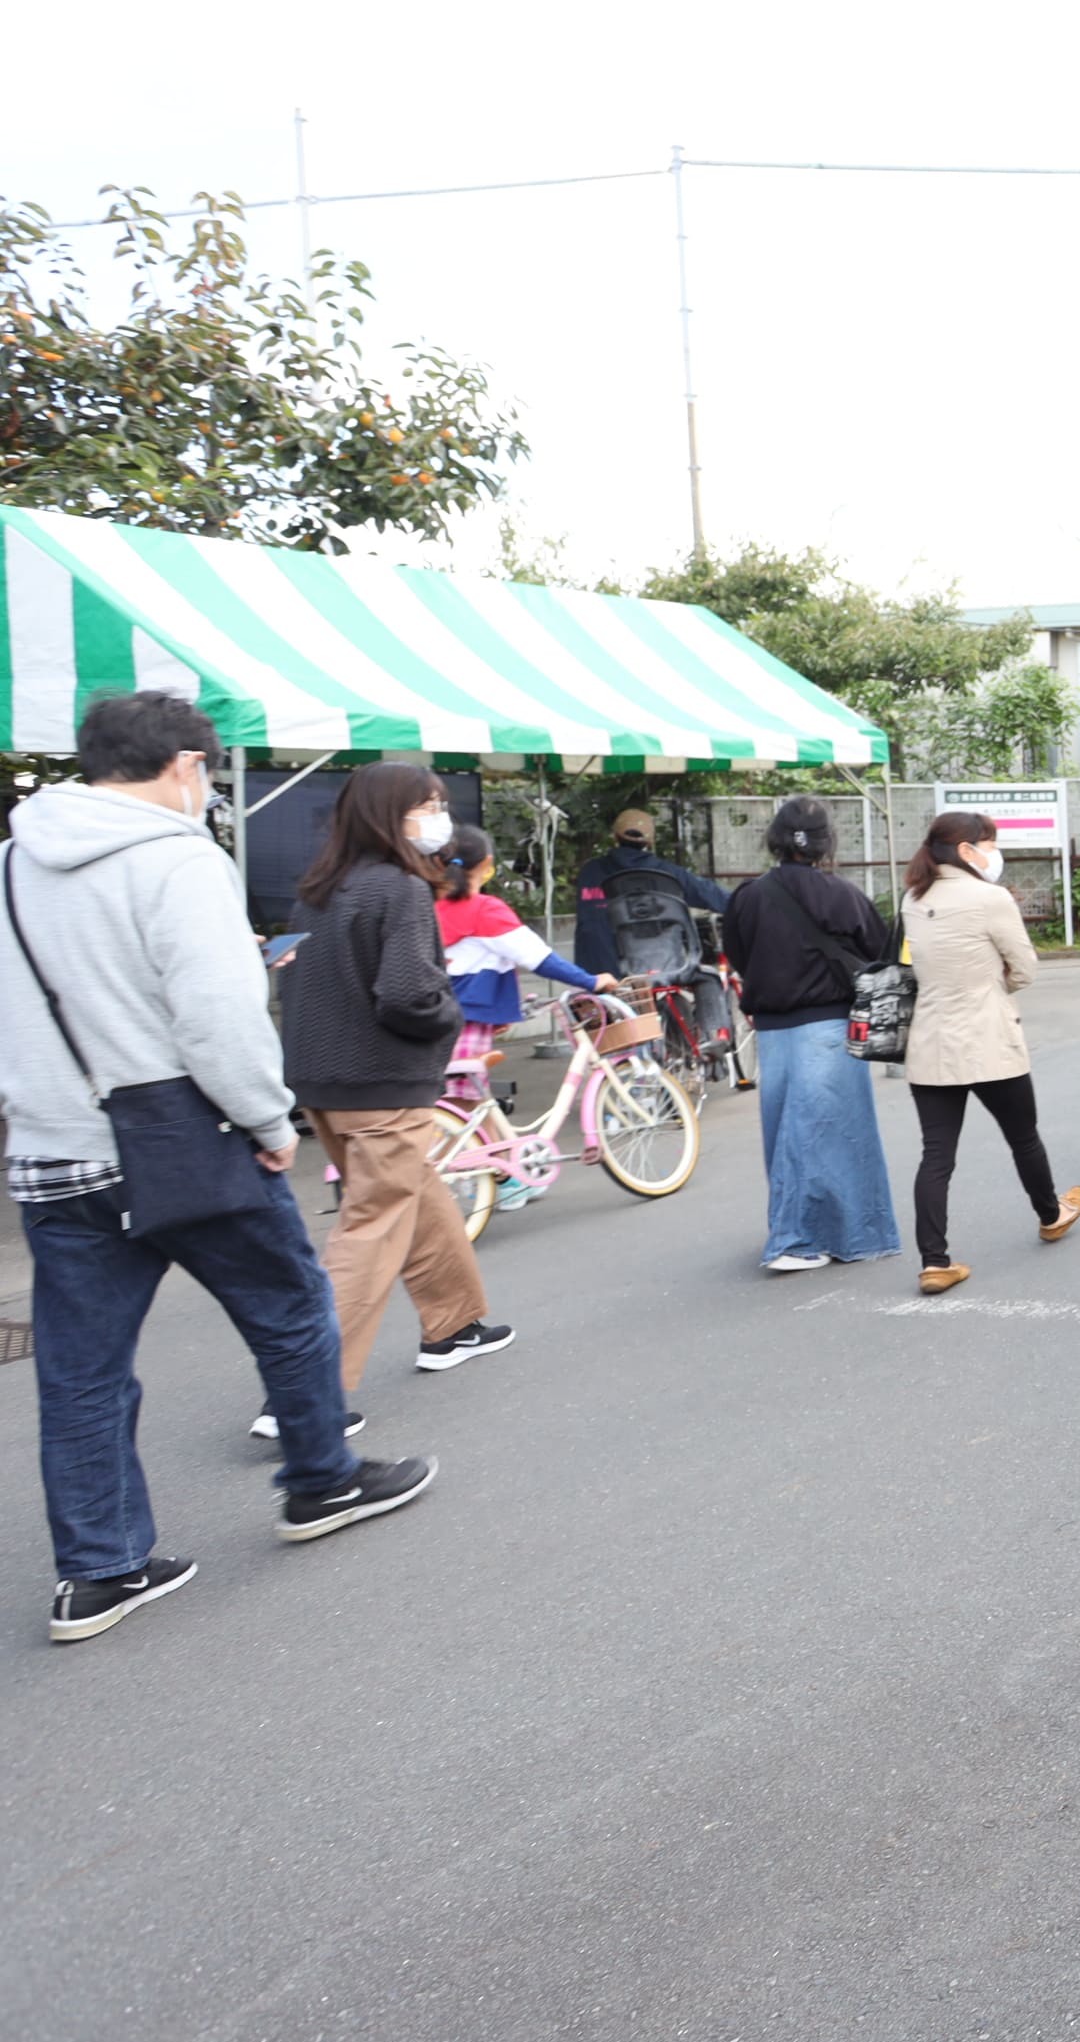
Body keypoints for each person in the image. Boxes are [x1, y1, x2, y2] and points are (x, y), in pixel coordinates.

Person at [1, 693, 435, 1642]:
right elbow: (215, 1018)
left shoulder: (10, 864)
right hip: (180, 1139)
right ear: (187, 766)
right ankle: (321, 1481)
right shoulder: (178, 860)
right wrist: (269, 1119)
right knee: (290, 1308)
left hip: (52, 1150)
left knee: (80, 1372)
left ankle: (99, 1572)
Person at [283, 763, 517, 1386]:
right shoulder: (401, 888)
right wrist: (450, 1017)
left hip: (323, 1080)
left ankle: (454, 1324)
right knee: (371, 1226)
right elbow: (410, 995)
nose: (440, 818)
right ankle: (307, 1395)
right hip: (382, 1080)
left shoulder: (318, 891)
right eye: (428, 806)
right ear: (390, 814)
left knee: (416, 1193)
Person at [901, 811, 1080, 1294]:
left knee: (936, 1156)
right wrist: (991, 984)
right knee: (1023, 1137)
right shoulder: (990, 898)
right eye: (990, 844)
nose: (994, 853)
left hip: (931, 1044)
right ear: (967, 850)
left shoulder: (913, 898)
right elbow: (1024, 968)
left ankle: (934, 1261)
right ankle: (1050, 1214)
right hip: (988, 1040)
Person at [724, 795, 902, 1274]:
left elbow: (738, 953)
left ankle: (802, 1232)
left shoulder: (749, 896)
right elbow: (880, 954)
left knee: (789, 1131)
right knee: (831, 1132)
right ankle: (804, 1239)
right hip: (829, 1024)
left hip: (773, 1030)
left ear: (775, 840)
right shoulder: (843, 894)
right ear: (826, 842)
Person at [433, 825, 619, 1213]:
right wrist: (591, 981)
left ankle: (507, 1175)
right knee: (464, 1105)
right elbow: (540, 959)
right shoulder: (485, 909)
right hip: (466, 1021)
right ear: (487, 864)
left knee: (472, 1102)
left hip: (436, 1018)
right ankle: (497, 1181)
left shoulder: (433, 908)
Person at [570, 806, 728, 975]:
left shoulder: (590, 872)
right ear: (650, 841)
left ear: (615, 836)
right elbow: (713, 896)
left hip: (596, 973)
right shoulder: (667, 873)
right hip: (659, 968)